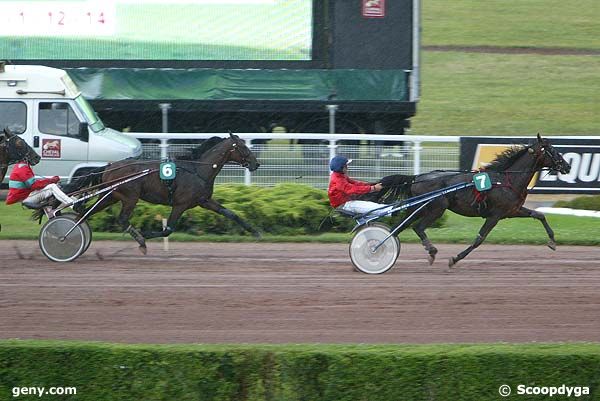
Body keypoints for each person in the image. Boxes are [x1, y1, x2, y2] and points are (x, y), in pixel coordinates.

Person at [328, 155, 393, 215]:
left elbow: (355, 183)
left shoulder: (340, 175)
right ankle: (393, 211)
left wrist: (370, 185)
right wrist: (372, 188)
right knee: (373, 207)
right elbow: (352, 189)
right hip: (343, 205)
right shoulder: (337, 180)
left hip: (347, 201)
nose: (347, 167)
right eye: (346, 166)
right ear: (341, 168)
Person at [6, 160, 76, 210]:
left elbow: (34, 184)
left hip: (26, 195)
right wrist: (51, 181)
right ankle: (73, 205)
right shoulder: (22, 168)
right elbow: (34, 185)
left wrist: (50, 181)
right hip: (25, 198)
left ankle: (75, 201)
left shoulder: (19, 166)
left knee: (55, 186)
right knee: (52, 187)